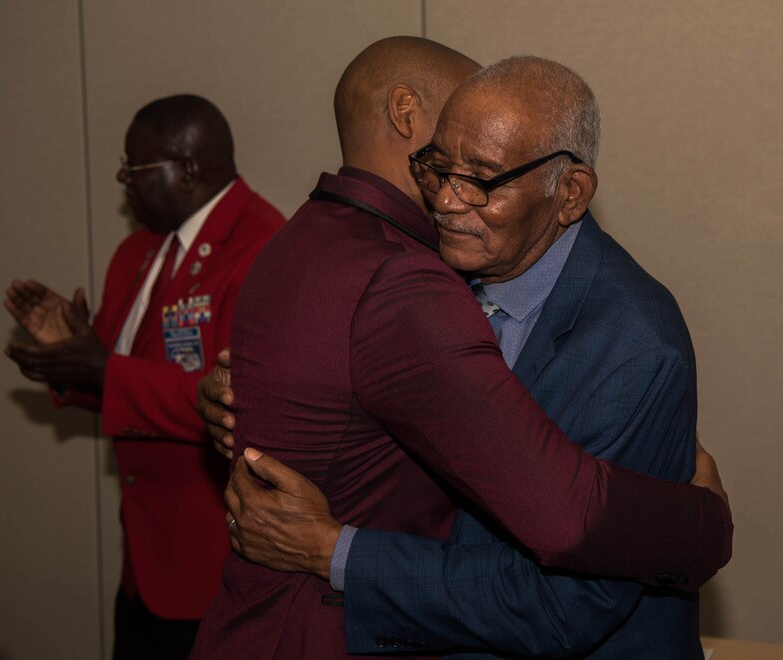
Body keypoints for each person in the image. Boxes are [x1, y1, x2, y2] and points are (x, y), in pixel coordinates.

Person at [191, 38, 731, 660]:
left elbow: (563, 606)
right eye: (438, 168)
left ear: (572, 192)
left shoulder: (633, 342)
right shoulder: (433, 273)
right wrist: (253, 405)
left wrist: (332, 549)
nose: (445, 201)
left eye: (480, 181)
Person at [4, 94, 286, 660]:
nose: (120, 178)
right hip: (142, 561)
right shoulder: (139, 248)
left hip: (216, 565)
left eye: (133, 168)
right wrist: (69, 358)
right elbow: (118, 376)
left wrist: (100, 366)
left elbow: (238, 405)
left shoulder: (262, 247)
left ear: (188, 169)